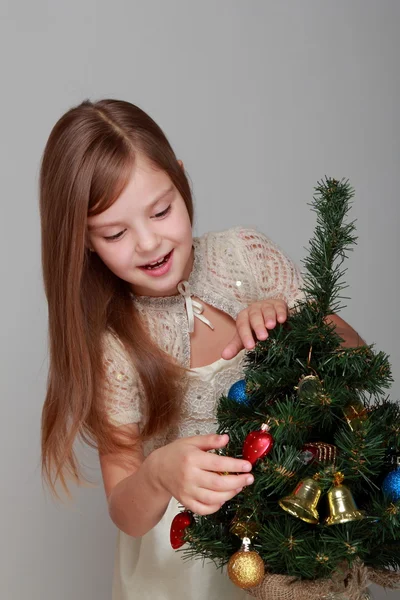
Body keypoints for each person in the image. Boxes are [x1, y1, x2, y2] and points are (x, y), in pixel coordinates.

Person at [40, 99, 363, 600]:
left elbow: (358, 355)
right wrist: (156, 472)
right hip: (191, 562)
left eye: (162, 210)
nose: (148, 243)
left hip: (296, 530)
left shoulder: (245, 255)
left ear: (181, 181)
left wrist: (293, 321)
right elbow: (126, 511)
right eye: (116, 233)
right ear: (85, 240)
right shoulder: (114, 349)